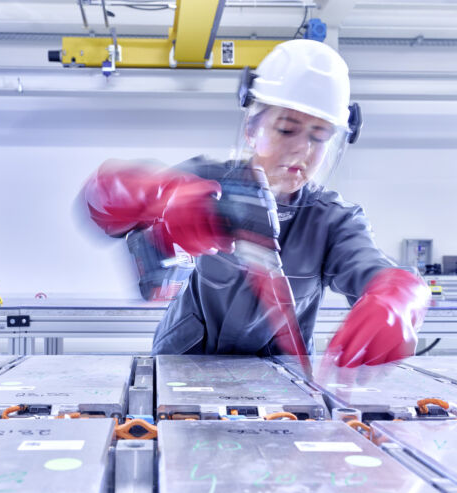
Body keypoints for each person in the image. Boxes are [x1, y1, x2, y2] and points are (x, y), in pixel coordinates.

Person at [81, 39, 430, 367]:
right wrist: (153, 195)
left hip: (283, 387)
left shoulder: (333, 221)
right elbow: (101, 205)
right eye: (286, 129)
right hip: (183, 367)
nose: (302, 150)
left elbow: (373, 268)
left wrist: (400, 296)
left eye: (319, 137)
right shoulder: (204, 181)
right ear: (252, 129)